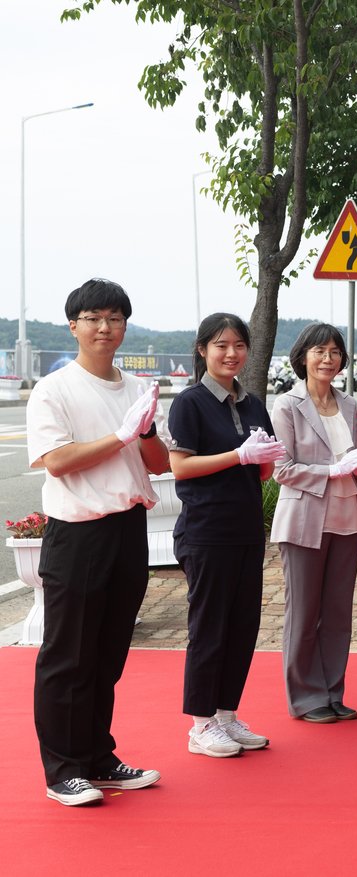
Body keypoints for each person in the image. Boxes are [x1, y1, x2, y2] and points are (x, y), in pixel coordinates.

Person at [26, 278, 168, 806]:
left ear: (125, 325)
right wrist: (119, 436)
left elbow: (160, 464)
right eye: (93, 318)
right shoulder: (54, 389)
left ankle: (97, 757)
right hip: (78, 531)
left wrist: (146, 432)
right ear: (74, 325)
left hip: (127, 528)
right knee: (69, 655)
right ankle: (62, 768)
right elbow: (58, 461)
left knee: (108, 653)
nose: (104, 327)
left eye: (114, 318)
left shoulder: (136, 389)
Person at [167, 313, 284, 757]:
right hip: (206, 530)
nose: (231, 353)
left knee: (242, 625)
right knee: (210, 627)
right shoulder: (190, 402)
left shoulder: (252, 402)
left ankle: (226, 715)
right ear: (202, 350)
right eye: (221, 345)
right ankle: (200, 725)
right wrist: (238, 454)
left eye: (238, 345)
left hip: (247, 528)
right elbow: (180, 466)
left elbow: (264, 471)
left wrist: (267, 456)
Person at [271, 323, 357, 723]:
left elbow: (356, 464)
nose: (328, 359)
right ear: (303, 356)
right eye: (319, 351)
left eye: (335, 352)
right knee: (304, 612)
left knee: (338, 612)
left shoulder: (350, 405)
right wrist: (333, 469)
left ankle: (332, 692)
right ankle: (305, 698)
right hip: (305, 519)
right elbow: (282, 469)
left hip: (348, 517)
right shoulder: (286, 405)